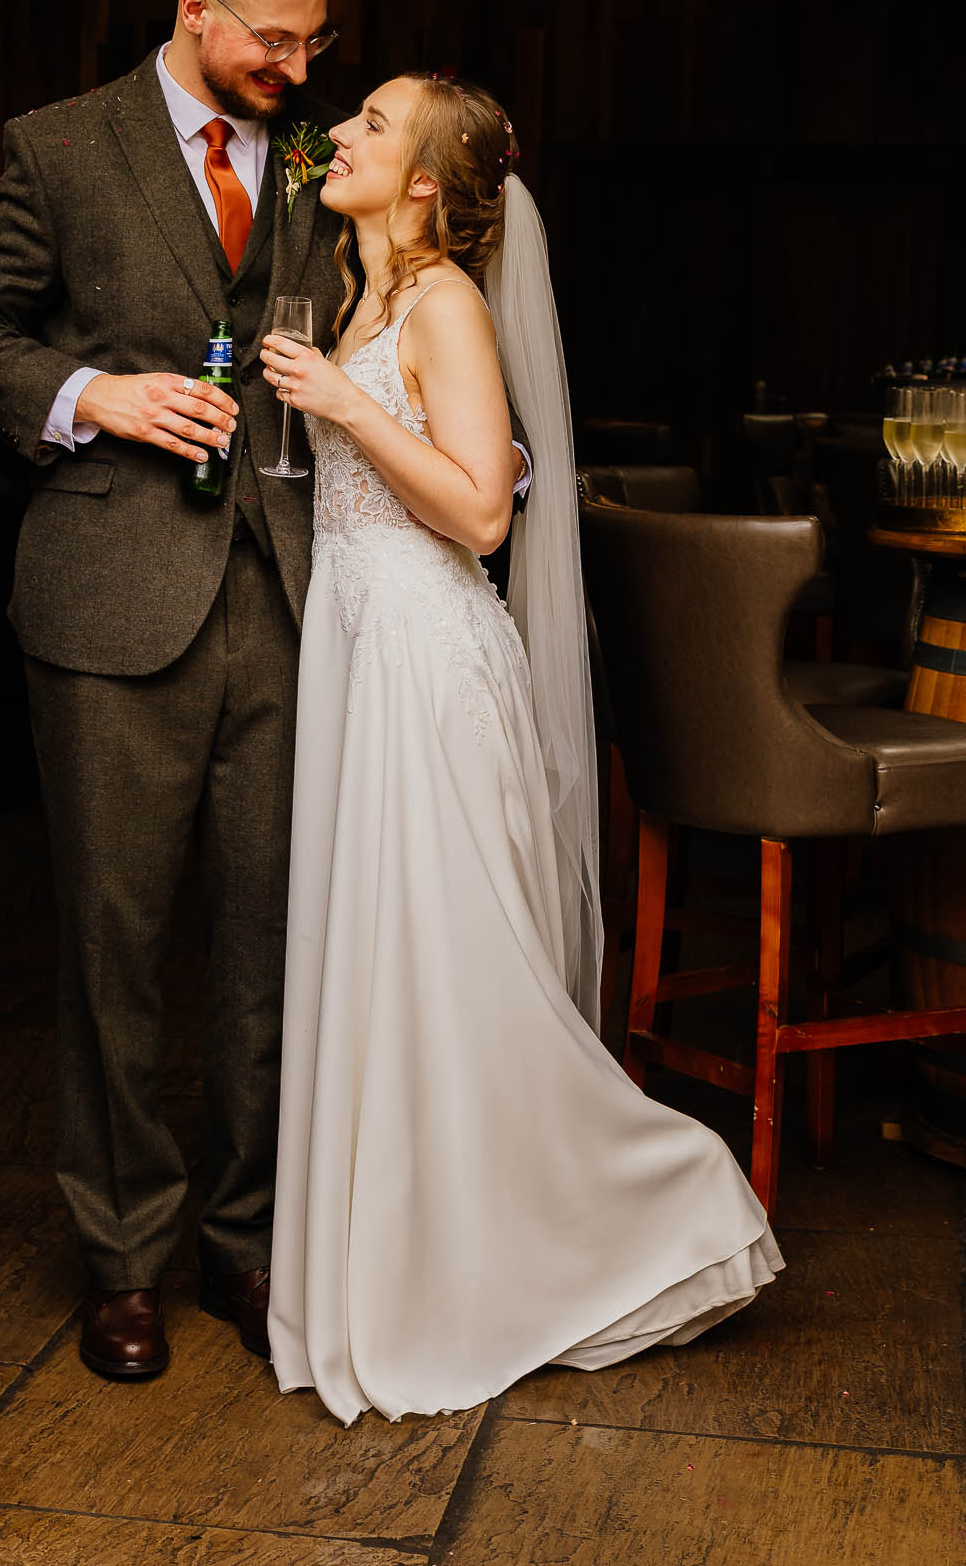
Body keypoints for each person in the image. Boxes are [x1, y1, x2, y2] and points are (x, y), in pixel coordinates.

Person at [259, 72, 783, 1426]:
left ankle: (670, 1205)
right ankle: (414, 1268)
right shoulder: (357, 293)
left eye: (374, 125)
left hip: (429, 673)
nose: (344, 136)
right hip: (361, 663)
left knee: (460, 980)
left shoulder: (444, 303)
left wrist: (346, 406)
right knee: (387, 978)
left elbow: (486, 514)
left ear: (427, 183)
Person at [0, 0, 348, 1382]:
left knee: (267, 950)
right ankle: (121, 1254)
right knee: (114, 952)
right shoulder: (61, 147)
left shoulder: (314, 161)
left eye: (314, 39)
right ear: (195, 12)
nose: (298, 65)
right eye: (274, 39)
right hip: (111, 607)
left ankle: (244, 1238)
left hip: (290, 603)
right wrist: (89, 396)